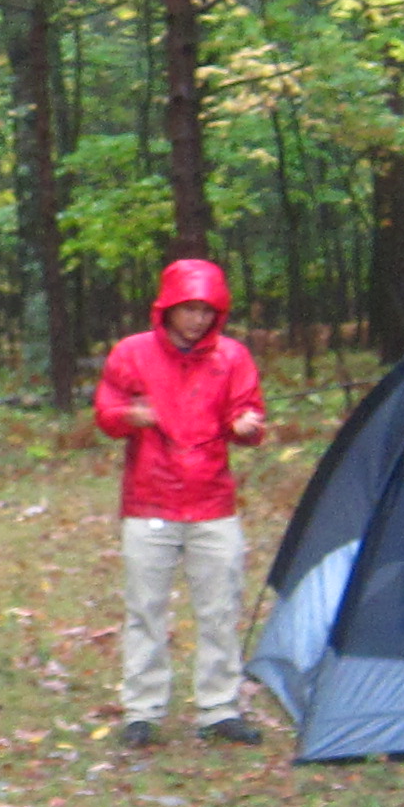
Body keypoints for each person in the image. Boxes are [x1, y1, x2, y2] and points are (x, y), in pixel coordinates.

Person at [92, 254, 268, 749]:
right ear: (166, 308)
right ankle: (142, 710)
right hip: (150, 499)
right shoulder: (131, 353)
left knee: (219, 608)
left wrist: (246, 427)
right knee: (145, 609)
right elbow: (106, 414)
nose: (197, 319)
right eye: (188, 308)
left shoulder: (232, 357)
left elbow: (248, 411)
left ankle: (220, 709)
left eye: (207, 310)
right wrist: (132, 415)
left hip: (213, 501)